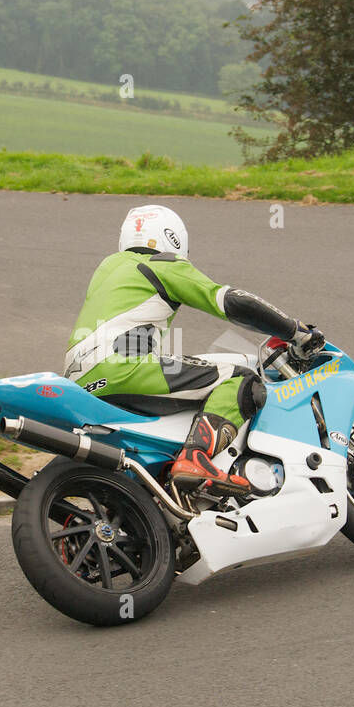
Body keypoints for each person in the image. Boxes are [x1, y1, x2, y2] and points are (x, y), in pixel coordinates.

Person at [63, 204, 324, 495]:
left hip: (81, 382)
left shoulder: (106, 268)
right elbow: (234, 302)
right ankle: (196, 458)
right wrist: (294, 330)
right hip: (125, 367)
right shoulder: (163, 264)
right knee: (243, 379)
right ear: (174, 239)